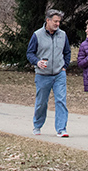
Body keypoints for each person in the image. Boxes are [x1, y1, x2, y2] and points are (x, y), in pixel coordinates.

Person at [25, 9, 71, 137]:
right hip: (42, 75)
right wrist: (37, 62)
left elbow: (67, 52)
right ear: (48, 20)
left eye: (59, 22)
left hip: (59, 74)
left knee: (61, 101)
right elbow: (30, 53)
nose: (57, 24)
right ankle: (37, 126)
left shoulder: (63, 35)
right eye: (55, 21)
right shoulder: (37, 35)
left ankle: (61, 129)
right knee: (41, 102)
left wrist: (64, 66)